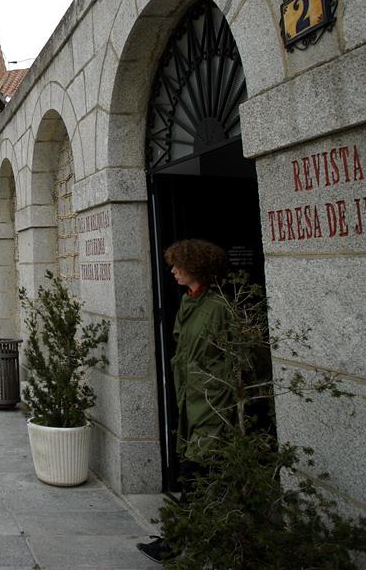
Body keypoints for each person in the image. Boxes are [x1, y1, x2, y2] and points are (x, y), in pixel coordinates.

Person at [137, 238, 235, 564]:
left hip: (211, 403)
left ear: (196, 266)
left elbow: (230, 359)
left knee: (194, 472)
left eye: (178, 265)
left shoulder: (218, 308)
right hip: (189, 401)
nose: (173, 270)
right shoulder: (188, 303)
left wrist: (213, 388)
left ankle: (175, 542)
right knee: (196, 471)